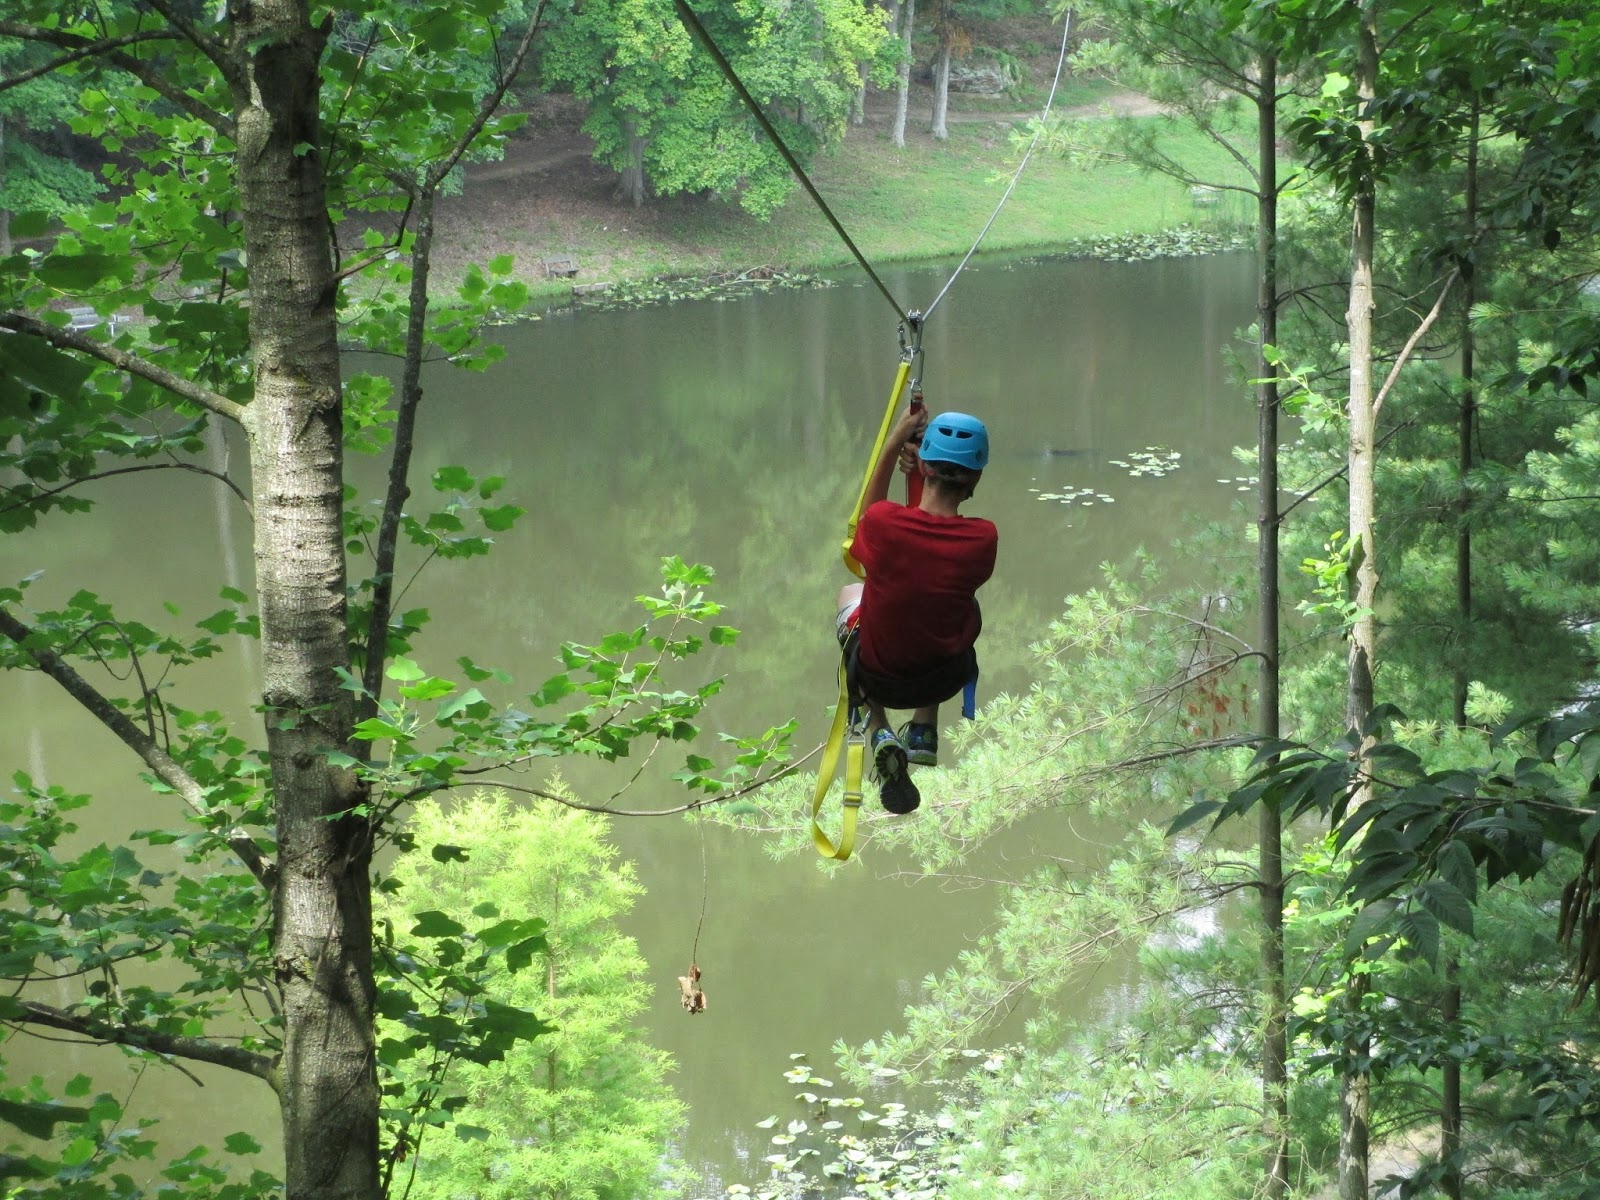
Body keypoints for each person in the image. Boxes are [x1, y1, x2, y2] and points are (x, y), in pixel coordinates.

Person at [835, 407, 998, 814]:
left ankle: (878, 727)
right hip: (942, 681)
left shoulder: (883, 523)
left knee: (851, 592)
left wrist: (893, 445)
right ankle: (924, 728)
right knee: (957, 604)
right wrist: (919, 472)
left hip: (878, 679)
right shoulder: (982, 539)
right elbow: (928, 543)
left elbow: (870, 521)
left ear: (923, 464)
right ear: (976, 477)